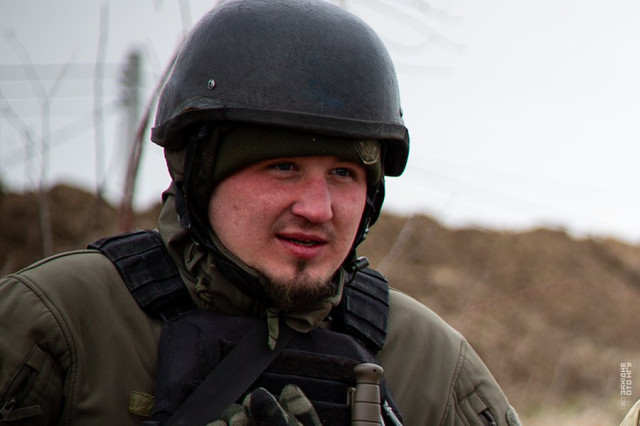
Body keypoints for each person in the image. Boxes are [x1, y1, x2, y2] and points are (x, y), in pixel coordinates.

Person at [0, 0, 521, 425]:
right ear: (201, 177)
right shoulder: (57, 322)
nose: (317, 209)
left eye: (344, 173)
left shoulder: (430, 362)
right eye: (283, 167)